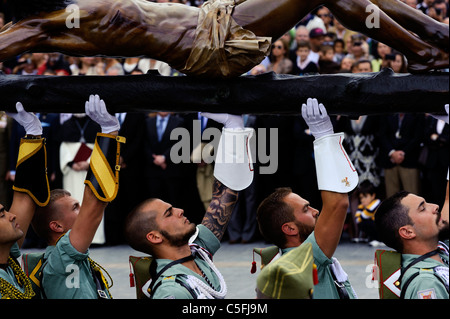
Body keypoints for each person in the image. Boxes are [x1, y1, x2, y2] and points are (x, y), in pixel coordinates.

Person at [0, 0, 448, 78]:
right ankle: (424, 47)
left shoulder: (65, 12)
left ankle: (432, 37)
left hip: (214, 23)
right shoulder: (38, 24)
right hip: (210, 45)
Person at [124, 112, 255, 299]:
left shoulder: (197, 250)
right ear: (154, 236)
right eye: (168, 213)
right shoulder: (170, 291)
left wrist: (233, 129)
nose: (180, 210)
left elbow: (223, 196)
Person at [256, 98, 359, 299]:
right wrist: (323, 137)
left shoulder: (287, 263)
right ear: (290, 229)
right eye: (306, 209)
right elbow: (338, 203)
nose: (316, 211)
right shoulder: (304, 259)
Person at [31, 94, 126, 298]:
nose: (82, 208)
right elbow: (94, 205)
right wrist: (109, 133)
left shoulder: (67, 254)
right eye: (75, 207)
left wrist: (32, 134)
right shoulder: (63, 255)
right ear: (56, 226)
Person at [374, 105, 449, 299]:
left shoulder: (440, 249)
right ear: (408, 231)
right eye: (423, 208)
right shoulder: (425, 284)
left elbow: (449, 199)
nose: (436, 206)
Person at [1, 101, 49, 299]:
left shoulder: (8, 257)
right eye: (2, 215)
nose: (12, 215)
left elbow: (24, 199)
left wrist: (33, 133)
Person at [354, 180, 383, 246]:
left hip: (383, 227)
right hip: (375, 224)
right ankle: (374, 238)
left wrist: (362, 214)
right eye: (361, 198)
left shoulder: (376, 202)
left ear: (373, 196)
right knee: (363, 223)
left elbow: (363, 216)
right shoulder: (362, 206)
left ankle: (380, 240)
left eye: (365, 196)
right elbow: (357, 220)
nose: (363, 200)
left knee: (367, 223)